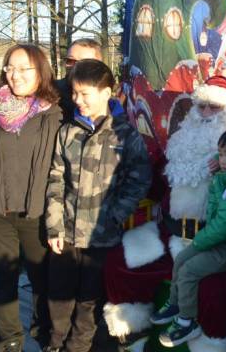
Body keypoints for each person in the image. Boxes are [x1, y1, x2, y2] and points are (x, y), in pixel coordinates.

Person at [102, 76, 226, 350]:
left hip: (215, 241)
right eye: (201, 107)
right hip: (169, 232)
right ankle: (133, 339)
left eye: (215, 107)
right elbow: (154, 181)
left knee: (210, 287)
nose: (207, 113)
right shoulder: (179, 144)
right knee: (119, 262)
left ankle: (206, 342)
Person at [44, 59, 151, 352]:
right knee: (59, 299)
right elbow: (55, 179)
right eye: (75, 93)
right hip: (65, 235)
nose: (77, 100)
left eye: (85, 94)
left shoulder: (126, 135)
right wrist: (54, 226)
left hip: (102, 236)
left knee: (89, 302)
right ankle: (54, 344)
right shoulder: (67, 132)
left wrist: (116, 214)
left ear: (107, 92)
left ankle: (77, 348)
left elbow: (139, 180)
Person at [0, 44, 63, 352]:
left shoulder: (54, 115)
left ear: (40, 72)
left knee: (41, 279)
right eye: (10, 68)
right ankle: (8, 340)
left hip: (36, 213)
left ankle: (44, 330)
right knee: (3, 280)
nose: (14, 75)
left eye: (23, 69)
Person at [150, 125, 226, 348]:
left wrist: (199, 241)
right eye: (221, 154)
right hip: (217, 239)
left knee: (188, 270)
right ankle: (175, 303)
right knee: (181, 258)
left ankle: (187, 321)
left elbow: (223, 227)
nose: (223, 160)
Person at [56, 38, 104, 117]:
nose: (75, 66)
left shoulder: (108, 104)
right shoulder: (49, 94)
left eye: (84, 63)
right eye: (70, 60)